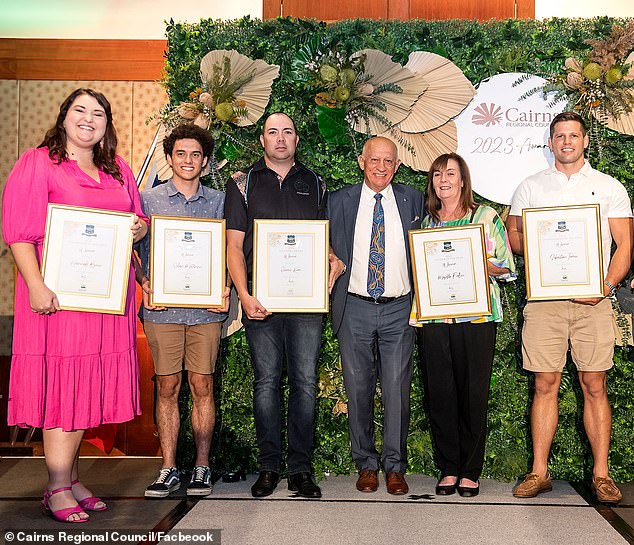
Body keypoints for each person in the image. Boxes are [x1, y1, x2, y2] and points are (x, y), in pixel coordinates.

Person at [1, 88, 148, 522]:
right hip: (58, 301)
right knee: (62, 385)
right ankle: (56, 486)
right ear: (64, 118)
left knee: (84, 385)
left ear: (107, 123)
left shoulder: (118, 169)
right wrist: (35, 285)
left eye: (97, 112)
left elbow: (134, 221)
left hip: (105, 300)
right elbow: (19, 234)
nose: (88, 118)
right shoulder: (39, 162)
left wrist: (137, 229)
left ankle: (72, 476)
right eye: (79, 110)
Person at [507, 111, 633, 504]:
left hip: (593, 303)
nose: (566, 142)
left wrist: (606, 287)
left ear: (585, 141)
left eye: (573, 135)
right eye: (559, 136)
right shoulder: (530, 187)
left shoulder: (608, 186)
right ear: (550, 142)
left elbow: (626, 245)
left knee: (594, 385)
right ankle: (539, 472)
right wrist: (542, 248)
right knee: (544, 384)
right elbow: (513, 236)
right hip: (544, 302)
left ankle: (601, 474)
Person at [225, 112, 343, 498]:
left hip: (306, 303)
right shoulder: (241, 184)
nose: (280, 138)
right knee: (266, 383)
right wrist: (243, 294)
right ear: (262, 139)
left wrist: (332, 260)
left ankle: (300, 470)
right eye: (273, 132)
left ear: (296, 139)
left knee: (305, 384)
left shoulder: (316, 183)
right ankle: (269, 467)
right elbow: (233, 246)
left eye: (287, 131)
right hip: (260, 301)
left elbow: (320, 239)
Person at [410, 153, 516, 497]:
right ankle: (448, 468)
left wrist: (481, 263)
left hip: (477, 318)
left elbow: (507, 267)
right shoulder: (426, 223)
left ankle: (470, 470)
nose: (443, 180)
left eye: (450, 174)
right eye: (437, 174)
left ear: (462, 180)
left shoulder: (484, 217)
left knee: (473, 392)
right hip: (435, 317)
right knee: (440, 393)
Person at [136, 124, 230, 498]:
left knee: (203, 385)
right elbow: (134, 254)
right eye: (181, 153)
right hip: (162, 312)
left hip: (206, 312)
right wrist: (144, 283)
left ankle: (202, 467)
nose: (188, 160)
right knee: (167, 386)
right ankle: (169, 468)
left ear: (205, 161)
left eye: (195, 154)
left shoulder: (221, 201)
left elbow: (233, 249)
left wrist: (225, 286)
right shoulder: (148, 200)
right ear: (170, 158)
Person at [328, 136, 423, 495]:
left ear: (397, 165)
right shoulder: (338, 200)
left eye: (388, 161)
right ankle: (366, 464)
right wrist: (329, 259)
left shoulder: (412, 199)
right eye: (374, 160)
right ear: (361, 161)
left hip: (400, 308)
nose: (381, 167)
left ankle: (395, 467)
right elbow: (322, 242)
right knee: (358, 389)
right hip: (354, 306)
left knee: (398, 390)